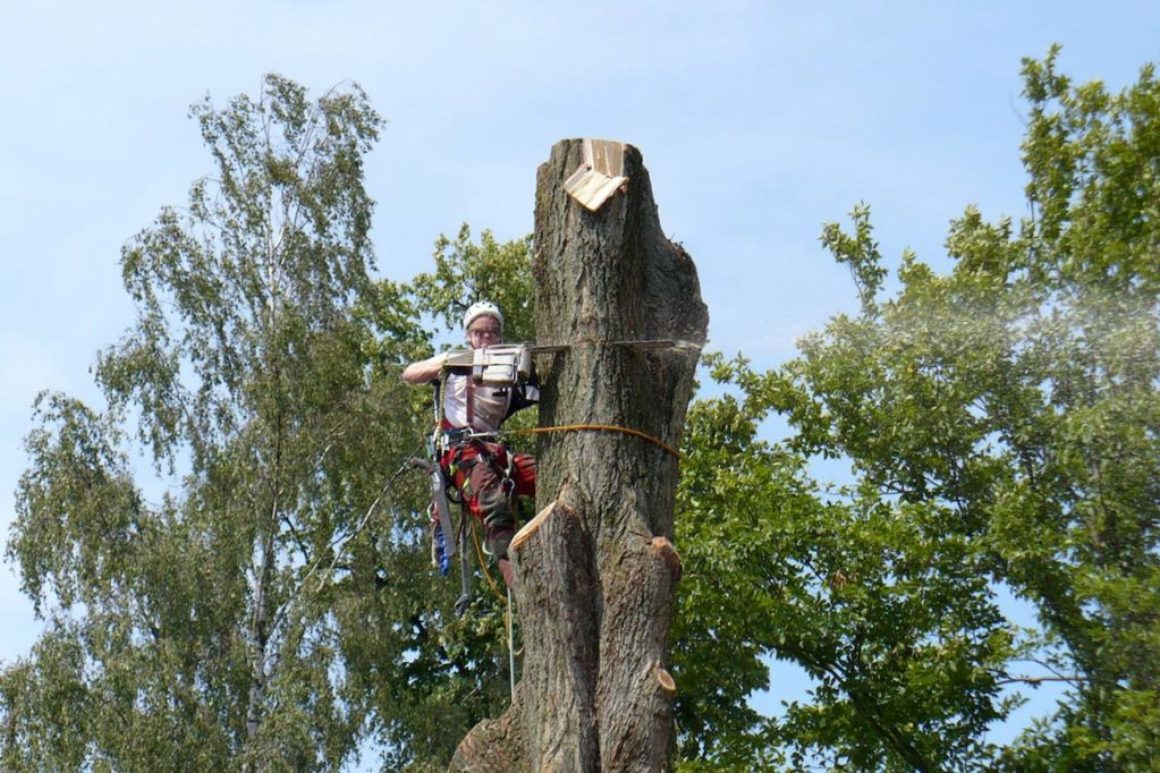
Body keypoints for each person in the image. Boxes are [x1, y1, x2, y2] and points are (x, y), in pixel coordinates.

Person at [403, 301, 537, 589]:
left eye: (492, 333)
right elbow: (410, 373)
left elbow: (537, 389)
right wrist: (447, 363)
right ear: (469, 335)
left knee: (546, 473)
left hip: (495, 452)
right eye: (480, 332)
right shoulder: (455, 365)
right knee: (491, 496)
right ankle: (509, 567)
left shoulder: (510, 372)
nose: (486, 339)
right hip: (462, 452)